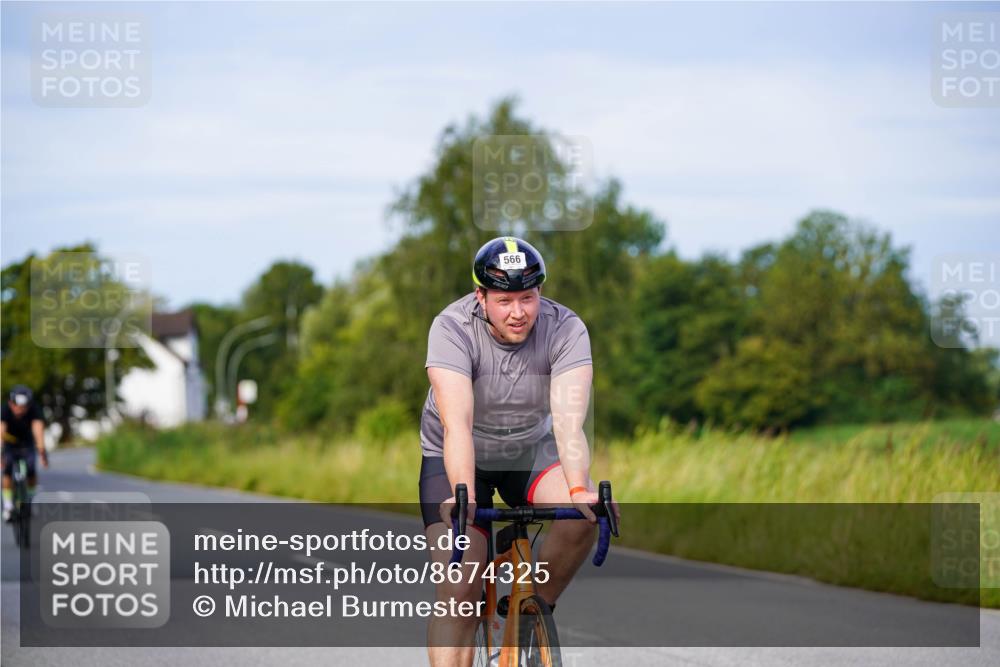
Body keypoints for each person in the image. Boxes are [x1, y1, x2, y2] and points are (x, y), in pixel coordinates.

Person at [419, 236, 619, 667]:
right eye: (504, 299)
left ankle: (530, 612)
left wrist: (580, 487)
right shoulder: (451, 328)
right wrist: (464, 493)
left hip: (528, 450)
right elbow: (458, 424)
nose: (518, 312)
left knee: (581, 513)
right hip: (456, 455)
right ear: (481, 297)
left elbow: (568, 424)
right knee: (460, 592)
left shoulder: (565, 328)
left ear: (540, 293)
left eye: (527, 298)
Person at [1, 385, 48, 522]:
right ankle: (8, 505)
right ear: (11, 403)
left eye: (24, 407)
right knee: (8, 469)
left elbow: (38, 430)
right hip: (9, 444)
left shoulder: (34, 409)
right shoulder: (4, 410)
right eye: (17, 406)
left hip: (27, 443)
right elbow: (1, 431)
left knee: (32, 468)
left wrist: (42, 451)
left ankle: (30, 499)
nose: (20, 410)